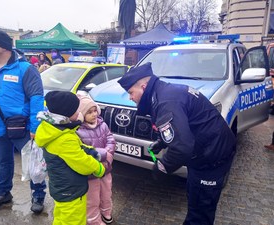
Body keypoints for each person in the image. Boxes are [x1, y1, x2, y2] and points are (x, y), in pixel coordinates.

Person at [117, 62, 236, 225]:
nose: (130, 97)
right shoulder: (165, 91)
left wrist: (162, 167)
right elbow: (182, 126)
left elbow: (182, 148)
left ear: (143, 87)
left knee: (200, 212)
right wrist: (162, 142)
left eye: (131, 92)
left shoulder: (166, 101)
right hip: (204, 150)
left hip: (211, 157)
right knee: (195, 198)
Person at [0, 29, 46, 213]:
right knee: (3, 161)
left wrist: (35, 126)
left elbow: (37, 98)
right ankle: (2, 193)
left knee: (33, 162)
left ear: (3, 46)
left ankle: (38, 194)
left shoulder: (25, 69)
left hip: (21, 127)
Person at [35, 91, 105, 225]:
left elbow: (76, 148)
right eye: (76, 109)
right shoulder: (64, 138)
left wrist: (90, 150)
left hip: (61, 188)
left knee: (61, 219)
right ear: (67, 113)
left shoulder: (53, 129)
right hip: (71, 192)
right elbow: (81, 163)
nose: (79, 112)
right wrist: (99, 168)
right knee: (74, 221)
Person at [76, 96, 116, 225]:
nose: (94, 114)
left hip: (106, 168)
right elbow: (83, 151)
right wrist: (105, 154)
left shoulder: (102, 124)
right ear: (82, 114)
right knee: (92, 198)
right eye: (89, 112)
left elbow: (111, 139)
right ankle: (93, 220)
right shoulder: (78, 131)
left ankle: (106, 212)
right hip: (91, 173)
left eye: (95, 111)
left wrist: (108, 153)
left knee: (106, 193)